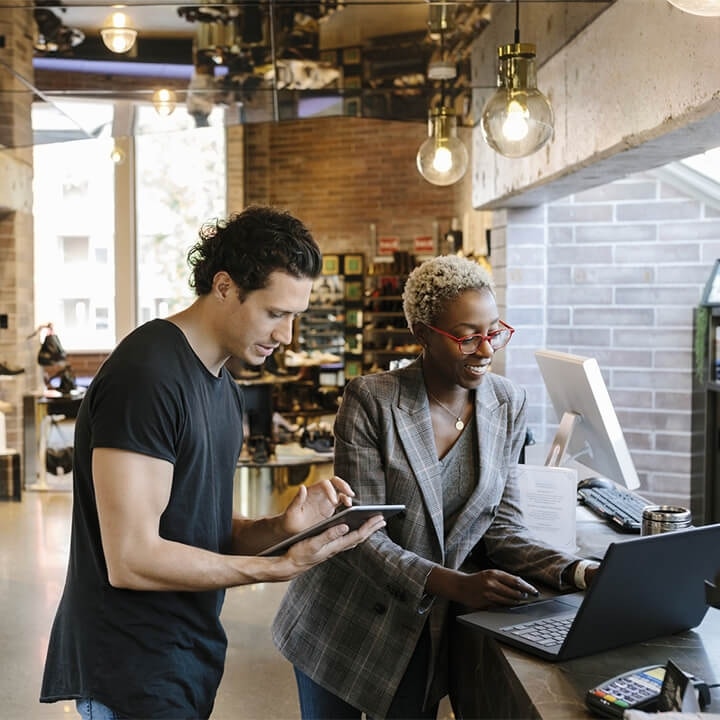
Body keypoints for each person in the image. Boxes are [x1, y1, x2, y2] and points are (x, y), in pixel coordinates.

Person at [40, 205, 386, 720]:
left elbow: (193, 527)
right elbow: (132, 557)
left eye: (296, 316)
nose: (287, 335)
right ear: (224, 286)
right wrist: (275, 567)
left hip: (184, 660)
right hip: (129, 669)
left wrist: (281, 529)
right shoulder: (147, 375)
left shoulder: (223, 387)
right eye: (274, 313)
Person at [272, 254, 599, 719]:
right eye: (466, 337)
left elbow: (502, 527)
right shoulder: (372, 400)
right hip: (343, 621)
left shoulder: (506, 402)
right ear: (422, 334)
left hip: (426, 629)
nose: (485, 350)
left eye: (493, 332)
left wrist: (581, 572)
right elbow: (358, 534)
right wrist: (456, 584)